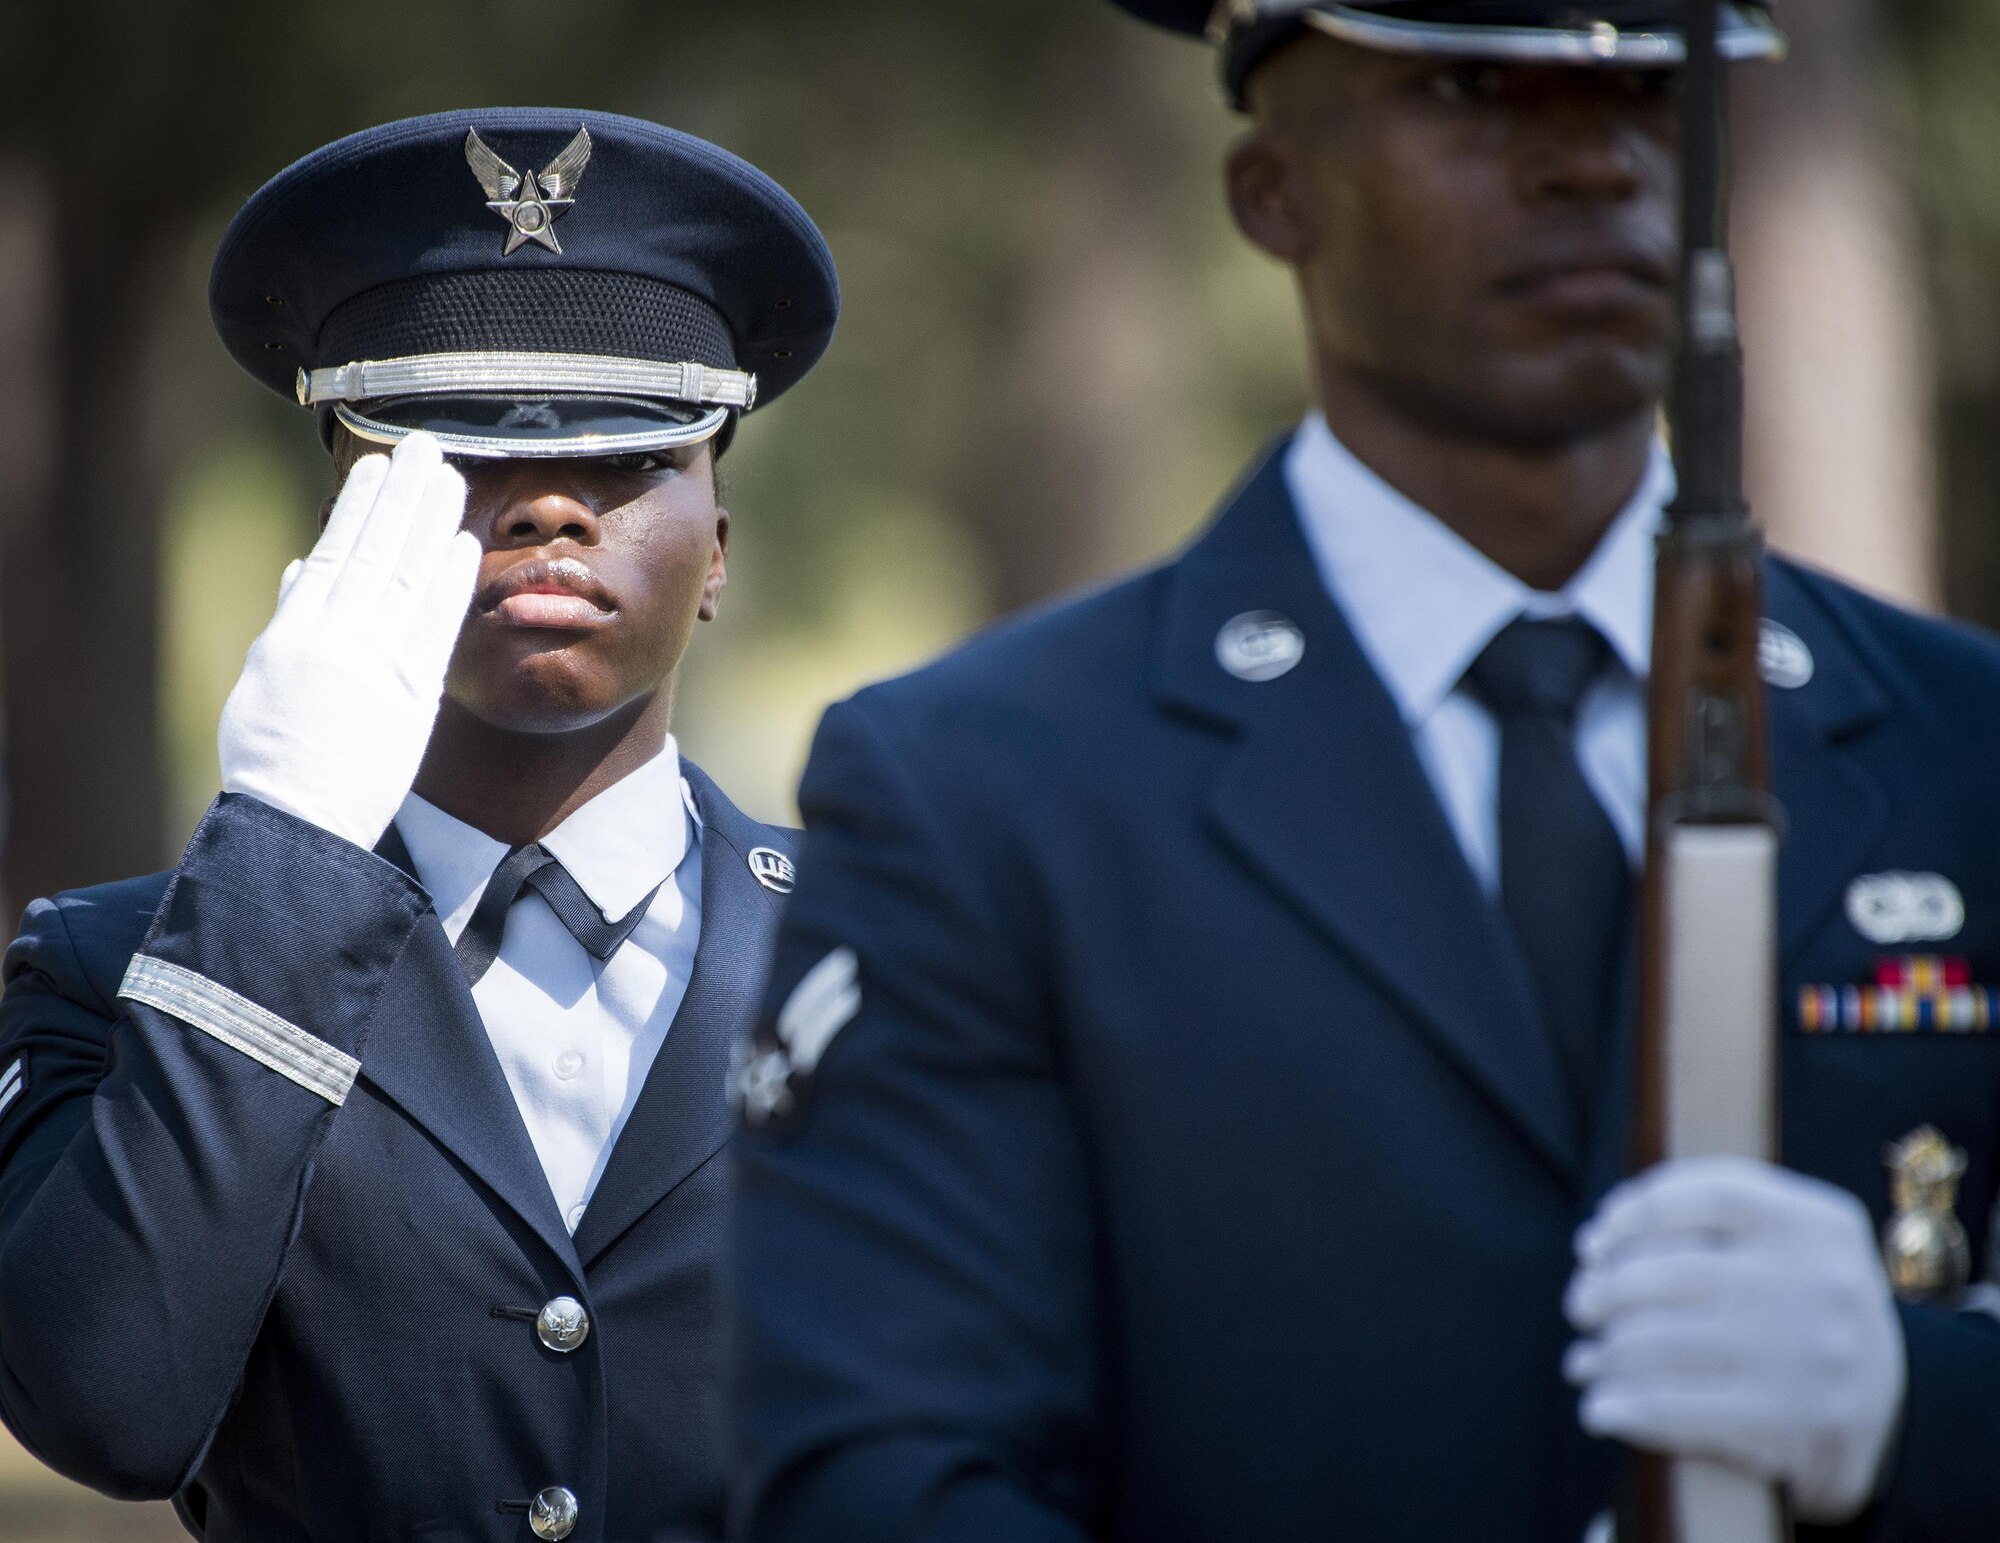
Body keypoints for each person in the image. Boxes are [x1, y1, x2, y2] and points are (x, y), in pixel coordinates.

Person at [729, 6, 2000, 1540]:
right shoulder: (986, 790)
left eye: (1648, 95)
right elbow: (882, 1479)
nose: (1590, 163)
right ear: (1271, 195)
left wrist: (1912, 1408)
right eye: (1470, 89)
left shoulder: (1961, 744)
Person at [0, 107, 837, 1543]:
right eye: (458, 452)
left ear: (719, 554)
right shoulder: (120, 966)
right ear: (347, 521)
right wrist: (284, 850)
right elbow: (109, 1408)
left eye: (634, 453)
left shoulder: (893, 953)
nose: (554, 504)